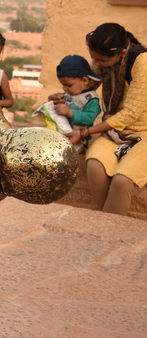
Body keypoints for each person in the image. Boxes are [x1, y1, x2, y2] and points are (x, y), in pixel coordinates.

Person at [66, 23, 146, 215]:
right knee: (94, 165)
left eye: (101, 60)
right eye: (93, 57)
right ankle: (106, 225)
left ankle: (103, 228)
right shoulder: (104, 60)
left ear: (122, 53)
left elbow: (130, 114)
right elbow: (87, 88)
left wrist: (85, 132)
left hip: (143, 131)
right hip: (116, 130)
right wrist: (66, 97)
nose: (96, 64)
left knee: (121, 181)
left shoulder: (142, 63)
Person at [36, 55, 101, 146]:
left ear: (85, 81)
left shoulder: (91, 99)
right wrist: (53, 101)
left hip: (79, 140)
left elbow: (89, 118)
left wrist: (69, 112)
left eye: (68, 85)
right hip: (61, 136)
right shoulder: (69, 94)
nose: (65, 89)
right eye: (62, 85)